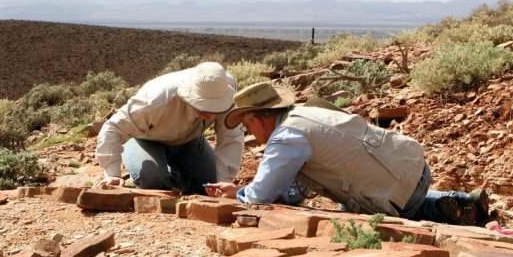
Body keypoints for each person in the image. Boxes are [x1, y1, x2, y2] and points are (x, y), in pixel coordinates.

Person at [206, 81, 489, 225]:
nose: (249, 132)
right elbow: (296, 189)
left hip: (397, 196)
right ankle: (456, 202)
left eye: (247, 125)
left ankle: (436, 210)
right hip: (415, 168)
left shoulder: (286, 138)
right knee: (358, 201)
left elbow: (259, 197)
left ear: (259, 118)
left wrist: (237, 193)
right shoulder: (309, 111)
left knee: (349, 217)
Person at [95, 62, 243, 194]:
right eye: (204, 107)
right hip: (146, 140)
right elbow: (112, 128)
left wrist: (223, 180)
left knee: (209, 184)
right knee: (153, 179)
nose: (210, 115)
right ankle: (166, 178)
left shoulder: (223, 90)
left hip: (190, 141)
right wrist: (112, 174)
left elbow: (231, 138)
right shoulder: (156, 99)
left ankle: (177, 179)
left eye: (214, 109)